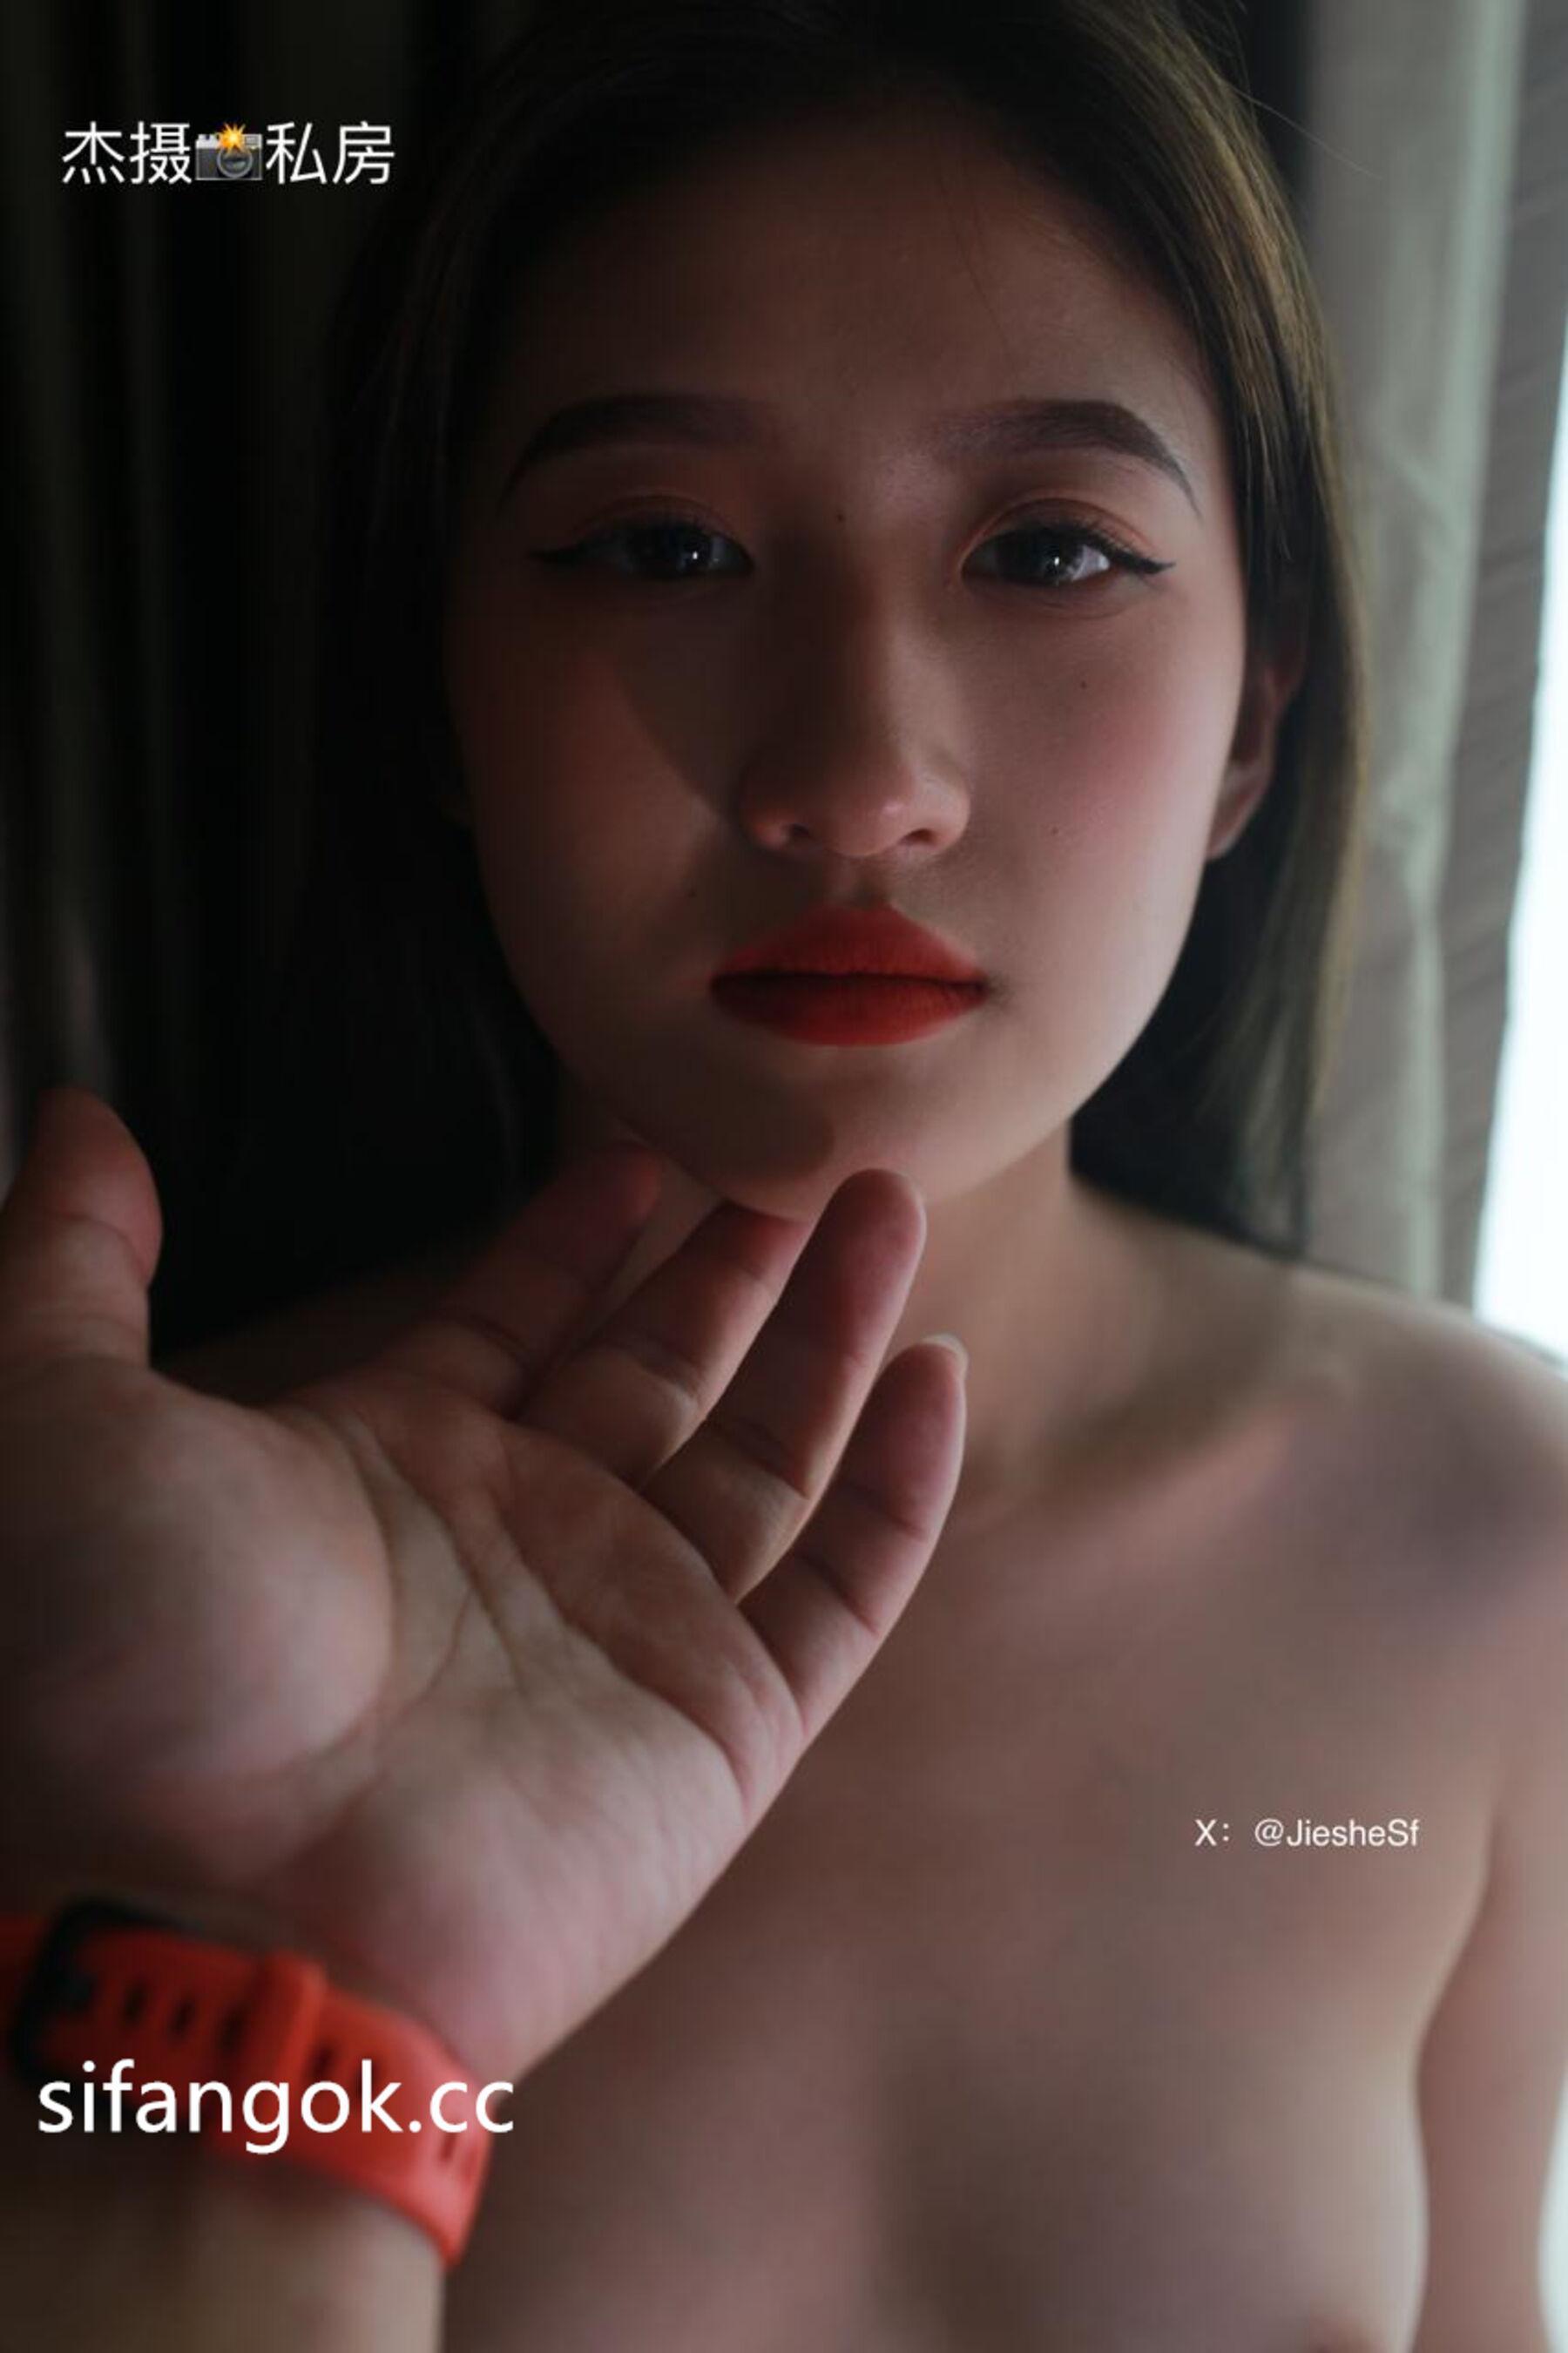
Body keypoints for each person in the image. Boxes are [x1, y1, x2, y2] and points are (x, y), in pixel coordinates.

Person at [3, 2, 1568, 2346]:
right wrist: (280, 1980)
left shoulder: (1498, 1544)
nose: (858, 778)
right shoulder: (130, 1623)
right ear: (438, 689)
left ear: (1257, 719)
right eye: (667, 544)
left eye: (1051, 550)